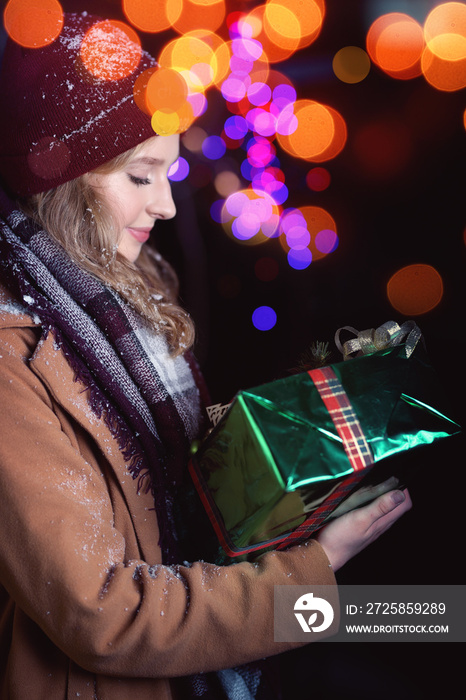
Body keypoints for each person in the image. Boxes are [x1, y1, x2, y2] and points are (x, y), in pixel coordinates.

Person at [0, 12, 412, 700]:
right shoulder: (14, 358)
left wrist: (295, 428)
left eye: (170, 172)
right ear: (65, 184)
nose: (165, 204)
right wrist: (313, 573)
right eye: (140, 176)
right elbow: (103, 614)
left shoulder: (136, 284)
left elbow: (174, 483)